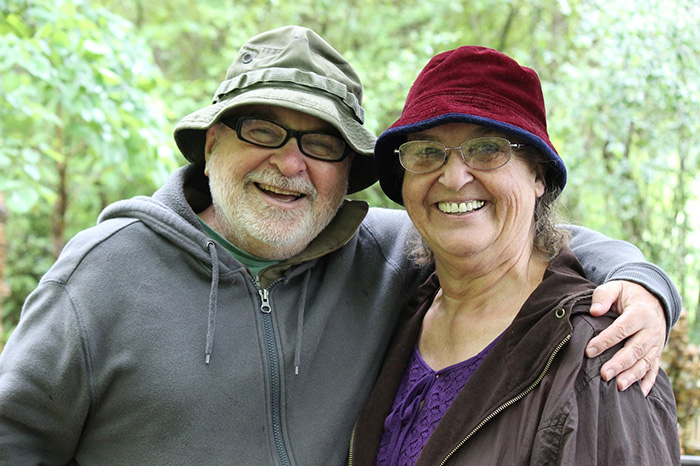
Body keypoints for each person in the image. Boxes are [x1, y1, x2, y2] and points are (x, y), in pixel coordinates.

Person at [0, 27, 680, 465]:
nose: (290, 163)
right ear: (212, 142)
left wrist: (641, 283)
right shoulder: (103, 274)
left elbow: (504, 232)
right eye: (263, 130)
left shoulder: (381, 256)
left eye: (320, 143)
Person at [349, 46, 680, 465]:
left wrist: (647, 281)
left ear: (538, 174)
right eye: (427, 152)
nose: (452, 177)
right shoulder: (396, 308)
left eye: (487, 150)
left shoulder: (601, 356)